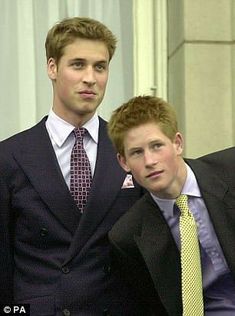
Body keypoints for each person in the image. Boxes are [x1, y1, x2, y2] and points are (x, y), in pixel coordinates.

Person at [0, 17, 145, 315]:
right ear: (52, 68)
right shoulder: (10, 156)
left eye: (100, 67)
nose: (90, 78)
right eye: (78, 64)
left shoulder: (132, 149)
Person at [107, 95, 235, 315]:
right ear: (123, 162)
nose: (149, 161)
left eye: (156, 146)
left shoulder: (230, 172)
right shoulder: (127, 236)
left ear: (177, 143)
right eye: (137, 152)